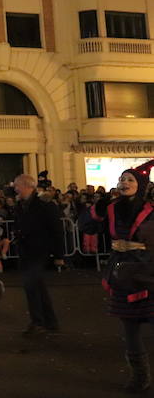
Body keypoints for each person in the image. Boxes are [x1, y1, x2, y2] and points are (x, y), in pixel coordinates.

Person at [84, 165, 154, 393]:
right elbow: (87, 227)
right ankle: (140, 377)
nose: (124, 183)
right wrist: (97, 210)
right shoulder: (111, 208)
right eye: (122, 179)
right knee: (130, 327)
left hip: (147, 271)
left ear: (140, 186)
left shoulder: (151, 210)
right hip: (122, 273)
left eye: (130, 180)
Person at [12, 173, 65, 336]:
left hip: (39, 251)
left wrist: (59, 255)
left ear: (27, 186)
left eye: (17, 185)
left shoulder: (45, 205)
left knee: (32, 287)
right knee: (38, 287)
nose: (15, 189)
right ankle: (50, 322)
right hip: (26, 251)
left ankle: (38, 322)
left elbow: (56, 230)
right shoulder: (21, 205)